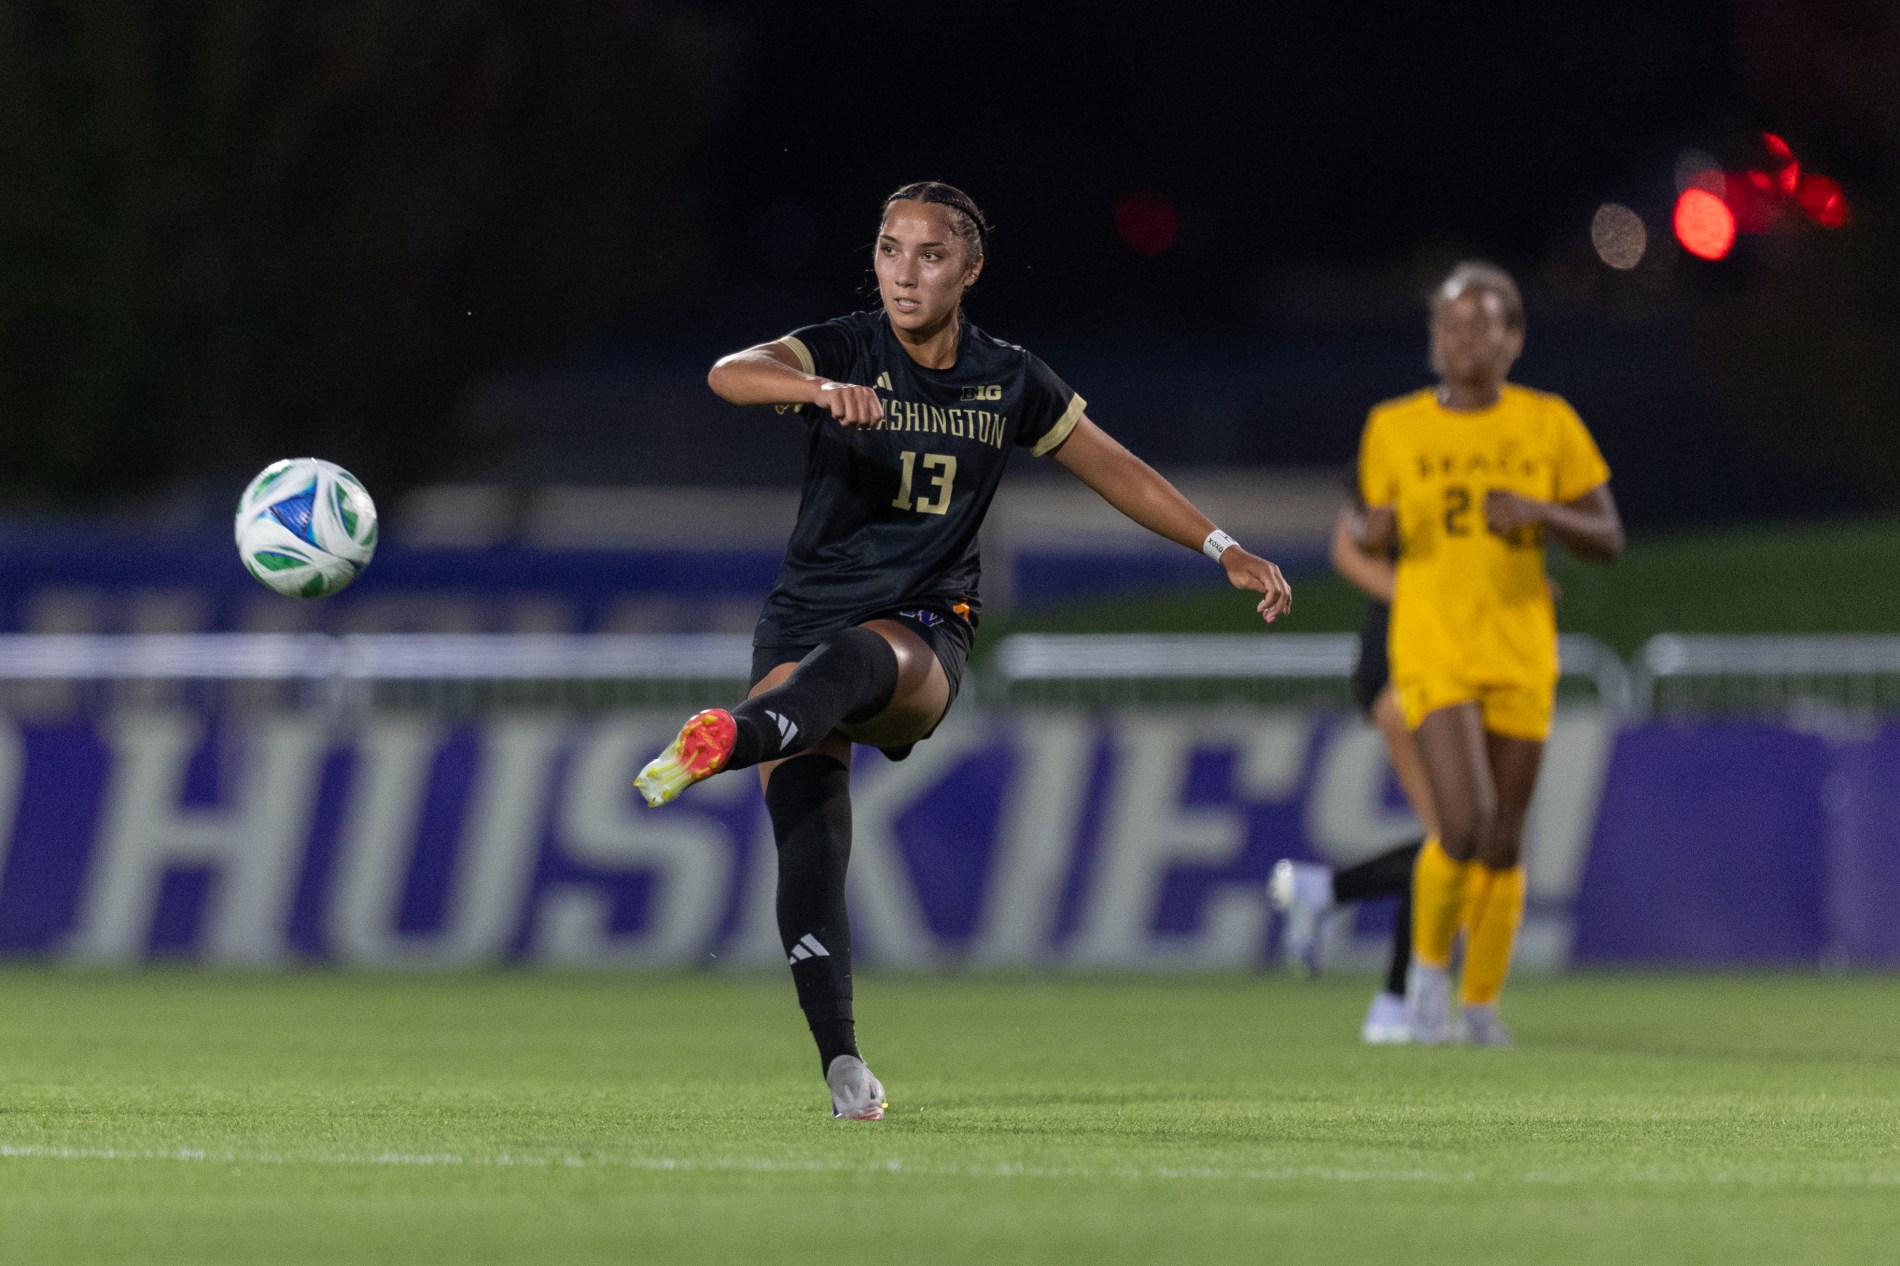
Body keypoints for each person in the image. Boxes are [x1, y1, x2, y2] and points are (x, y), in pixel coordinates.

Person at [634, 181, 1295, 1118]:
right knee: (812, 849)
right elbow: (729, 371)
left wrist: (1221, 546)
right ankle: (844, 1068)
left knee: (859, 661)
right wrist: (815, 389)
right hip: (802, 621)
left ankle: (732, 738)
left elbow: (1111, 465)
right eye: (889, 249)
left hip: (926, 623)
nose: (905, 273)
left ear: (970, 268)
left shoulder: (1010, 376)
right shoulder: (846, 347)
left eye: (930, 254)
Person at [1351, 261, 1622, 1046]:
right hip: (1434, 643)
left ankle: (1480, 1007)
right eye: (1449, 324)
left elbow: (1608, 536)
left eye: (1481, 323)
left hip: (1521, 644)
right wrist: (1376, 530)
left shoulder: (1548, 423)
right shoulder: (1394, 426)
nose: (1462, 338)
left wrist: (1541, 511)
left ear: (1515, 338)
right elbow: (1372, 525)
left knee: (1505, 833)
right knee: (1463, 821)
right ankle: (1427, 979)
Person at [1269, 496, 1434, 1044]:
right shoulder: (1397, 440)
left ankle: (1322, 892)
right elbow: (1348, 549)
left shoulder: (1492, 444)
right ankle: (1396, 1002)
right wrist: (1424, 600)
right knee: (1453, 843)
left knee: (1466, 842)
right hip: (1408, 653)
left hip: (1460, 651)